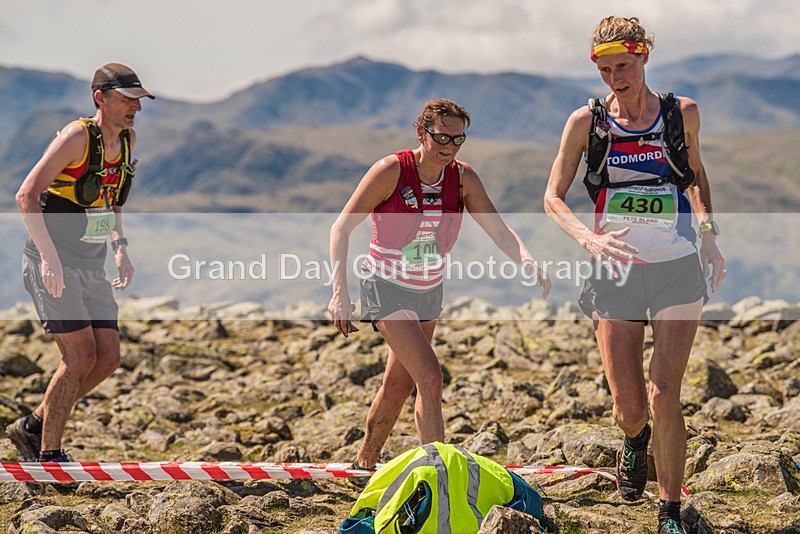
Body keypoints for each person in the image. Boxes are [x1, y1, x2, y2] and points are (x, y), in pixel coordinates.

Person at [543, 17, 725, 534]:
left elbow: (694, 174)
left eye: (623, 65)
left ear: (644, 55)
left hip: (675, 268)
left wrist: (708, 232)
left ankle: (668, 509)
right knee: (629, 406)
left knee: (665, 392)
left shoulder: (680, 113)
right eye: (604, 69)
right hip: (613, 272)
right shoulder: (587, 123)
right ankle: (634, 439)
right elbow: (552, 196)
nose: (615, 77)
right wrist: (589, 239)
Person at [329, 98, 550, 471]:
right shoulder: (391, 170)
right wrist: (340, 292)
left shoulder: (463, 177)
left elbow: (497, 228)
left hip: (429, 290)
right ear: (421, 132)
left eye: (458, 140)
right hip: (385, 285)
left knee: (399, 385)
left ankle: (365, 462)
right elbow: (341, 227)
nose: (449, 148)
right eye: (441, 138)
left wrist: (526, 258)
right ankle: (439, 474)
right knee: (430, 377)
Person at [7, 63, 154, 463]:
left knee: (107, 357)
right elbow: (26, 195)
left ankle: (34, 424)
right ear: (100, 98)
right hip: (52, 261)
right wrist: (50, 259)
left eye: (138, 101)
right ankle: (49, 453)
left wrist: (120, 246)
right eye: (126, 100)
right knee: (79, 358)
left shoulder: (128, 140)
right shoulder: (77, 137)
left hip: (92, 263)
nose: (134, 109)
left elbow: (113, 196)